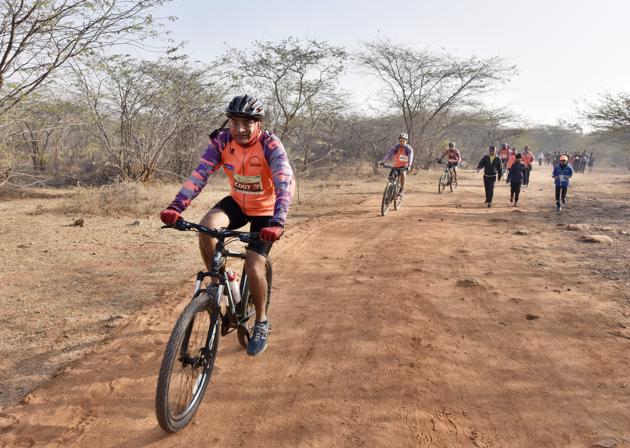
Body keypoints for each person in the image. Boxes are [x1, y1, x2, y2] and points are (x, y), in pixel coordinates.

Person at [160, 94, 294, 356]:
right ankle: (218, 282)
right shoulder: (222, 141)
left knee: (254, 264)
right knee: (206, 226)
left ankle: (262, 322)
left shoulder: (270, 145)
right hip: (238, 204)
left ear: (258, 123)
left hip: (265, 211)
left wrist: (278, 221)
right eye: (234, 122)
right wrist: (176, 206)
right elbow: (200, 174)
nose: (240, 129)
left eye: (247, 123)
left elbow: (284, 183)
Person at [381, 132, 413, 196]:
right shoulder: (396, 147)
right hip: (396, 166)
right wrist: (384, 161)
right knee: (391, 177)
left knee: (403, 174)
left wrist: (409, 165)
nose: (402, 142)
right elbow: (389, 154)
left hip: (404, 166)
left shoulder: (408, 149)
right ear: (399, 140)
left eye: (404, 141)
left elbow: (410, 157)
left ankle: (401, 189)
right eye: (401, 141)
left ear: (406, 141)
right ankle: (390, 191)